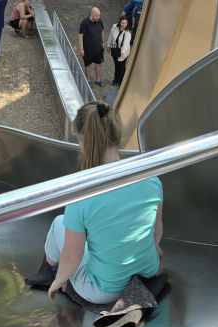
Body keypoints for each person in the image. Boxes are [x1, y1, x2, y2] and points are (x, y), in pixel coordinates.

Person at [43, 101, 163, 305]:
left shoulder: (81, 195)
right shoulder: (151, 179)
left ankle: (51, 265)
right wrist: (156, 247)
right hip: (148, 273)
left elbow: (72, 256)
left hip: (105, 290)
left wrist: (60, 280)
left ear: (83, 141)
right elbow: (156, 227)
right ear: (117, 135)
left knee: (59, 223)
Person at [78, 6, 104, 86]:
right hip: (88, 49)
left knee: (98, 63)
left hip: (98, 48)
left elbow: (102, 31)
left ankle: (98, 79)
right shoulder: (84, 23)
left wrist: (102, 42)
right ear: (92, 14)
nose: (98, 17)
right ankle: (88, 80)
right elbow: (80, 35)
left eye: (99, 15)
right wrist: (81, 48)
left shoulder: (99, 21)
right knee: (88, 64)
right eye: (96, 16)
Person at [106, 15, 131, 86]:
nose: (124, 25)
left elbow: (126, 43)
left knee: (122, 67)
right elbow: (111, 36)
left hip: (123, 52)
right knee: (116, 65)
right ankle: (116, 80)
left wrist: (123, 52)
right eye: (122, 23)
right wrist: (108, 45)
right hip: (115, 50)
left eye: (125, 23)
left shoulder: (127, 33)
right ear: (120, 22)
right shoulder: (114, 28)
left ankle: (122, 82)